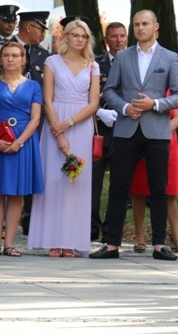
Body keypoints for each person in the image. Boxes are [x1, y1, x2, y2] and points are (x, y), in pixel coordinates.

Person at [89, 9, 178, 261]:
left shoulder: (170, 57)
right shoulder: (123, 57)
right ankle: (111, 244)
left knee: (159, 189)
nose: (140, 28)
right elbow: (109, 90)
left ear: (156, 27)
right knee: (119, 186)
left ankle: (160, 244)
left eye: (145, 24)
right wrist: (125, 107)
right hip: (126, 129)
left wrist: (155, 104)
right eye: (137, 24)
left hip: (156, 130)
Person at [27, 18, 100, 257]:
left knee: (76, 182)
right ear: (66, 36)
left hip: (80, 124)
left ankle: (71, 240)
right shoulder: (52, 61)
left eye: (84, 36)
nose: (80, 39)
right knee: (53, 180)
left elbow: (94, 103)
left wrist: (68, 124)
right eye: (75, 35)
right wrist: (57, 130)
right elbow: (47, 98)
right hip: (54, 120)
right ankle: (52, 240)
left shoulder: (92, 66)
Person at [0, 41, 44, 256]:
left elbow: (36, 119)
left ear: (23, 59)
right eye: (6, 55)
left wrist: (19, 142)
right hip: (0, 139)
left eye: (15, 55)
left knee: (16, 194)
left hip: (24, 142)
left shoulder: (34, 86)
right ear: (1, 59)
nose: (10, 59)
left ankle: (9, 244)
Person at [13, 10, 51, 235]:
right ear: (29, 27)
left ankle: (29, 220)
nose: (44, 33)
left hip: (37, 120)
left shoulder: (44, 56)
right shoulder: (6, 49)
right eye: (41, 28)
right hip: (7, 118)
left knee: (31, 166)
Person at [129, 107, 178, 254]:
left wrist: (161, 132)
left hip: (167, 142)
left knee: (169, 190)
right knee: (139, 189)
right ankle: (139, 236)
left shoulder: (170, 89)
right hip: (143, 141)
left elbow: (177, 118)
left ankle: (176, 236)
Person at [91, 21, 126, 241]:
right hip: (99, 131)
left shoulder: (134, 62)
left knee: (119, 186)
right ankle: (91, 228)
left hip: (124, 130)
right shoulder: (96, 64)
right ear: (107, 40)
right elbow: (87, 95)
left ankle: (112, 233)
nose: (119, 40)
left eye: (122, 36)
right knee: (93, 184)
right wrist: (99, 111)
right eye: (114, 36)